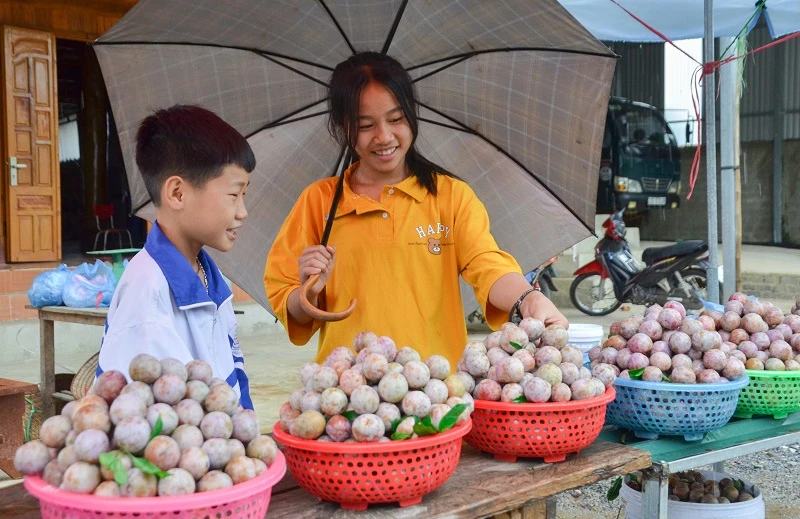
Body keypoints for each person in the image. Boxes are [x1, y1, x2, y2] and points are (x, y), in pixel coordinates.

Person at [265, 52, 567, 369]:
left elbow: (486, 264)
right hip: (348, 394)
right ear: (344, 128)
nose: (384, 137)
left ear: (411, 115)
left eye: (395, 119)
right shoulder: (318, 202)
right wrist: (309, 290)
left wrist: (528, 298)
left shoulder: (451, 196)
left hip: (437, 392)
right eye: (365, 125)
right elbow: (292, 307)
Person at [97, 104, 255, 409]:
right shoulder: (148, 296)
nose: (242, 212)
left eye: (244, 196)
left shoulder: (211, 276)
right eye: (234, 195)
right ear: (178, 194)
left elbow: (235, 375)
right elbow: (156, 427)